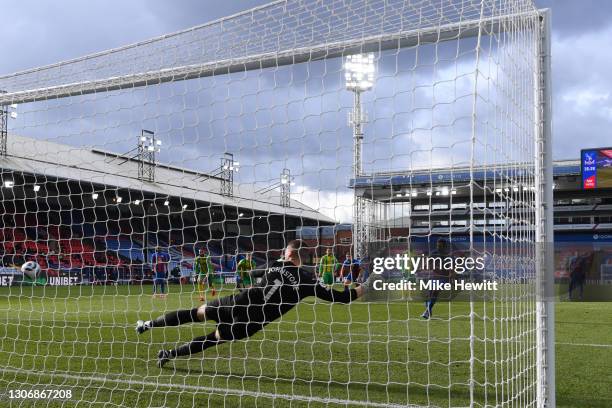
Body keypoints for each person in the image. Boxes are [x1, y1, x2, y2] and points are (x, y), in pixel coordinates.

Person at [135, 240, 371, 368]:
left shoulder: (271, 264)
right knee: (212, 338)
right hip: (253, 322)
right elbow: (342, 297)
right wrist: (367, 287)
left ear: (289, 254)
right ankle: (169, 354)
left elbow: (255, 273)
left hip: (239, 302)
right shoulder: (308, 282)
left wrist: (263, 276)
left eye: (284, 252)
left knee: (196, 312)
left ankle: (147, 324)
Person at [422, 238, 453, 319]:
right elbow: (427, 264)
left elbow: (452, 266)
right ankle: (428, 310)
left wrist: (451, 273)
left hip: (444, 277)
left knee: (435, 292)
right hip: (434, 276)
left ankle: (427, 312)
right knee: (428, 295)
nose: (439, 247)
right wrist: (429, 266)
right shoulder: (433, 253)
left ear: (444, 246)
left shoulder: (448, 254)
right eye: (438, 245)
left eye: (440, 245)